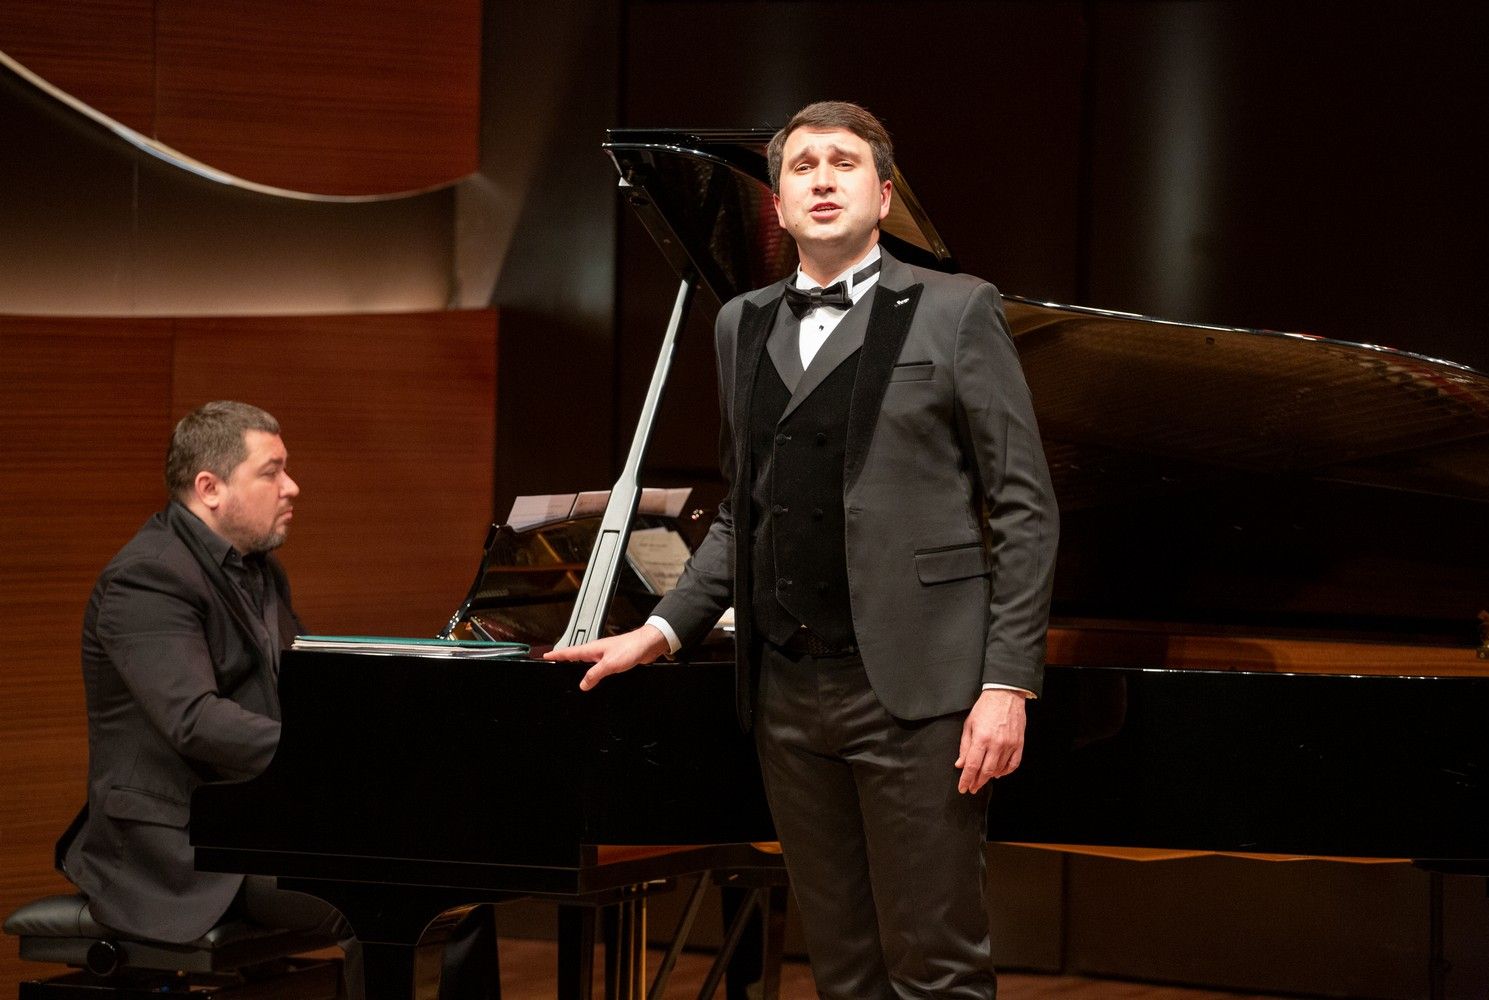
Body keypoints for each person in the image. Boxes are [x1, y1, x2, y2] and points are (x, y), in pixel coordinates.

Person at [546, 101, 1059, 999]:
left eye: (845, 163)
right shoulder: (740, 322)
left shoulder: (957, 309)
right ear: (778, 205)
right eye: (803, 167)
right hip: (785, 695)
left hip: (919, 694)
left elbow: (1026, 507)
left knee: (936, 969)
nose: (823, 179)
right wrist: (660, 631)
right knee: (842, 970)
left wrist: (1006, 684)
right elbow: (744, 513)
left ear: (885, 195)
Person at [56, 401, 497, 999]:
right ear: (209, 488)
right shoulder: (147, 578)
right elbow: (194, 720)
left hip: (254, 823)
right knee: (386, 898)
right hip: (178, 847)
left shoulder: (260, 570)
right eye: (271, 471)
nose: (292, 486)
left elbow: (304, 690)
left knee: (463, 882)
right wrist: (334, 754)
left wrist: (388, 725)